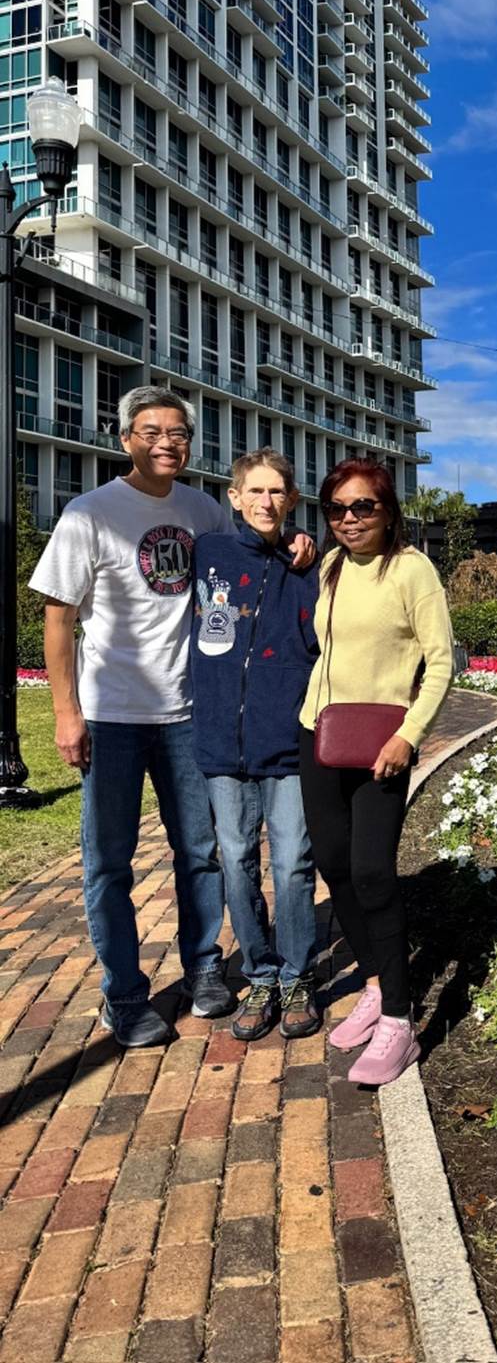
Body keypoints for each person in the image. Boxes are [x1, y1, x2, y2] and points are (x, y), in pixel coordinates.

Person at [30, 386, 313, 1049]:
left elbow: (255, 543)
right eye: (152, 430)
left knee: (200, 855)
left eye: (178, 432)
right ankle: (123, 996)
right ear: (125, 436)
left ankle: (205, 970)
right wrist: (66, 712)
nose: (166, 441)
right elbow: (58, 616)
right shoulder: (88, 512)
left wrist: (300, 541)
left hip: (189, 714)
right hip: (111, 715)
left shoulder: (203, 509)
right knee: (109, 863)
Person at [299, 459, 454, 1085]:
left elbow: (441, 664)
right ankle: (372, 979)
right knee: (333, 864)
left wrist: (407, 735)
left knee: (371, 872)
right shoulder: (332, 566)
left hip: (383, 745)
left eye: (362, 507)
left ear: (387, 510)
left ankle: (398, 1020)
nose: (349, 519)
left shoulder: (413, 570)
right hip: (320, 731)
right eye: (337, 508)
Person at [190, 449, 321, 1041]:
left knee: (293, 861)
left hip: (288, 740)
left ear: (290, 502)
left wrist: (303, 540)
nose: (266, 502)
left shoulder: (308, 566)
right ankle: (260, 973)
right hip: (220, 739)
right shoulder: (208, 554)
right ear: (234, 498)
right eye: (256, 492)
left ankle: (297, 975)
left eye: (278, 493)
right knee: (237, 862)